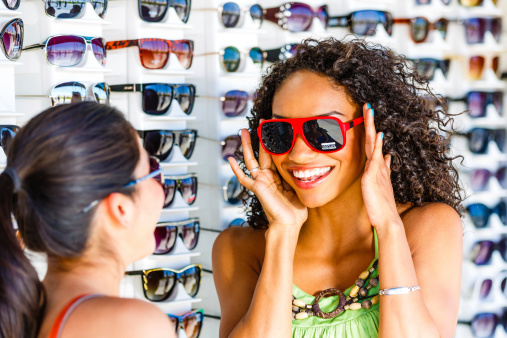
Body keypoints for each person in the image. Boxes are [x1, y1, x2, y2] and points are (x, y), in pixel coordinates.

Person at [213, 38, 464, 337]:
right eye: (281, 132)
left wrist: (388, 227)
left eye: (324, 131)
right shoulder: (240, 250)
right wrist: (283, 233)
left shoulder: (427, 228)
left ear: (375, 130)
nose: (298, 154)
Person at [0, 102, 176, 338]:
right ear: (120, 209)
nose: (160, 186)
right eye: (152, 170)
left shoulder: (28, 313)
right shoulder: (134, 327)